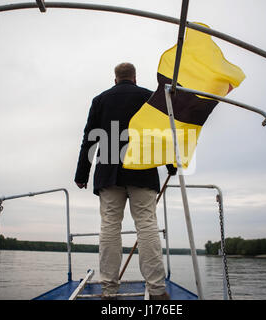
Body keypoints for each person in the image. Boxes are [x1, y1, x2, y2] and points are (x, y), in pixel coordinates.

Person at [74, 62, 176, 300]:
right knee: (147, 225)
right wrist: (171, 166)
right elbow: (163, 133)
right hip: (142, 169)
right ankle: (158, 289)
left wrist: (82, 174)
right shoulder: (149, 97)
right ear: (135, 77)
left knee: (110, 227)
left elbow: (89, 139)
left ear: (115, 79)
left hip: (109, 172)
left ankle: (108, 290)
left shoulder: (100, 100)